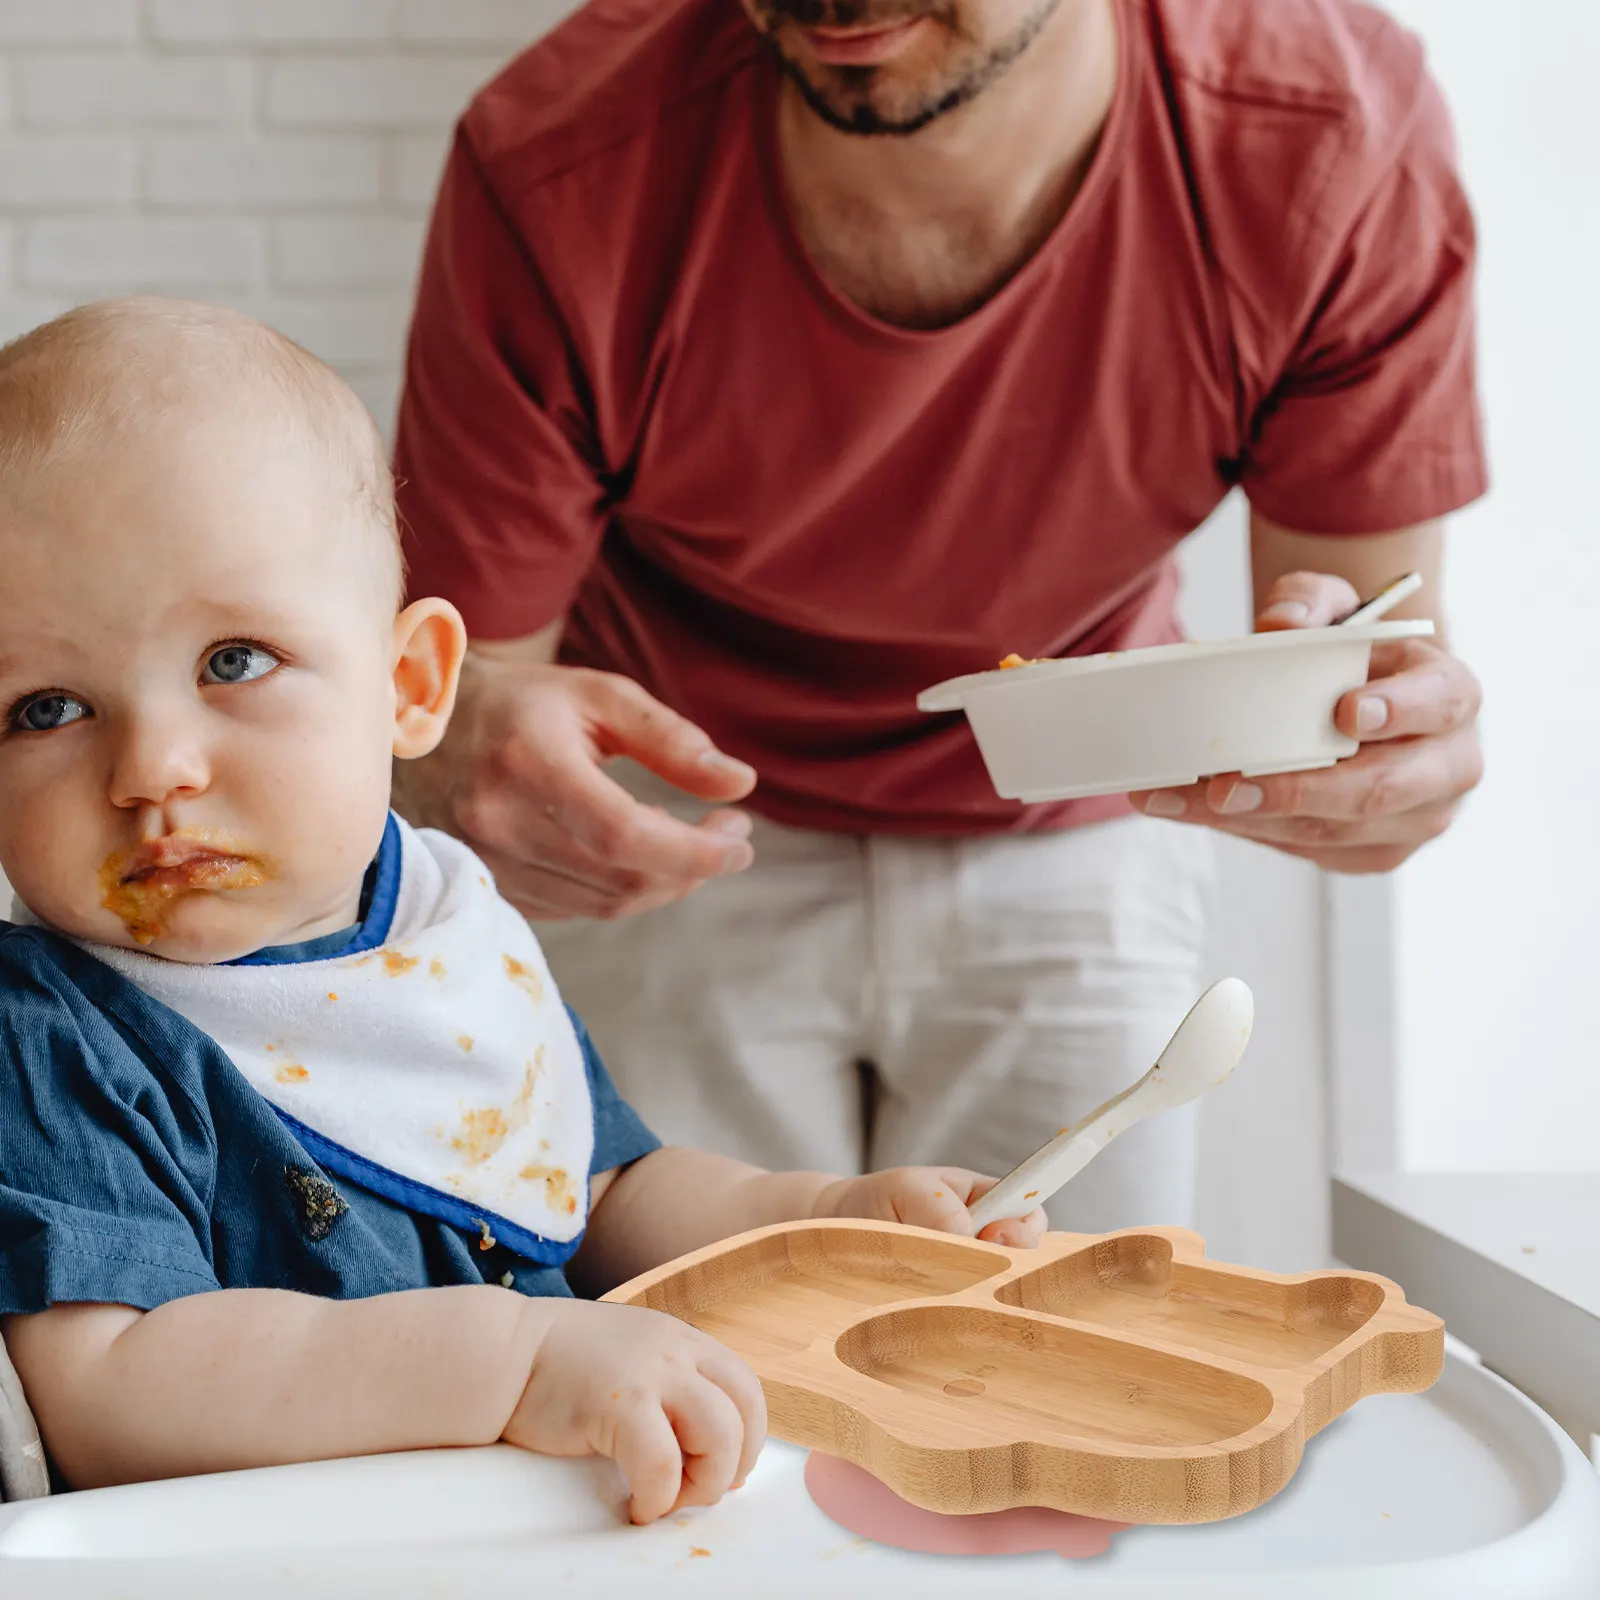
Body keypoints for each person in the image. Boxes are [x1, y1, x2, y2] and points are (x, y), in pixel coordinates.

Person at [391, 0, 1487, 1233]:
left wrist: (1382, 748)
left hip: (1081, 820)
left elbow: (1369, 643)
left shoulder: (1326, 137)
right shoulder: (558, 157)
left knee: (1063, 1374)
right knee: (690, 1372)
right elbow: (458, 682)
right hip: (673, 829)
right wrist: (453, 750)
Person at [0, 298, 1044, 1521]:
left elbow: (596, 1195)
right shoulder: (52, 1028)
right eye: (45, 708)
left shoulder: (446, 937)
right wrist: (516, 1360)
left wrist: (814, 1219)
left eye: (233, 661)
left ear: (409, 687)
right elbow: (114, 1391)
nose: (153, 768)